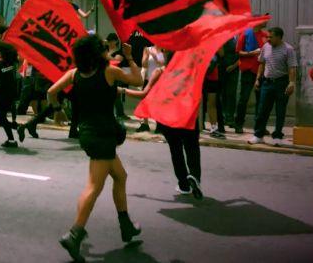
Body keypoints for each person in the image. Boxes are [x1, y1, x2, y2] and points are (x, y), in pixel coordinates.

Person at [47, 35, 143, 262]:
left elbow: (52, 91)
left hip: (88, 134)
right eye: (104, 48)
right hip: (103, 136)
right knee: (94, 187)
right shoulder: (109, 72)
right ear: (97, 53)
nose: (107, 51)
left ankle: (126, 224)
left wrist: (58, 109)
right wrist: (129, 57)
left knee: (120, 176)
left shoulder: (75, 74)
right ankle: (74, 234)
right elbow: (138, 80)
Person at [122, 51, 203, 199]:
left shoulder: (160, 72)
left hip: (168, 119)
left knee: (176, 151)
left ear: (166, 57)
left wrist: (121, 90)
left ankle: (184, 185)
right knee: (192, 149)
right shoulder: (190, 71)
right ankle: (194, 176)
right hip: (188, 117)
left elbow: (144, 93)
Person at [249, 27, 297, 147]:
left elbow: (292, 67)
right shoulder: (266, 47)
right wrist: (258, 79)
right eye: (268, 37)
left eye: (271, 37)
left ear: (279, 37)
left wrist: (291, 83)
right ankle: (258, 135)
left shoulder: (288, 49)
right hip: (267, 83)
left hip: (282, 83)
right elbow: (262, 63)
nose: (268, 39)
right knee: (262, 110)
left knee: (280, 111)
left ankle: (277, 136)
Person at [235, 18, 269, 133]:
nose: (267, 22)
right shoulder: (245, 34)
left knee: (262, 101)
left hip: (263, 72)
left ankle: (260, 127)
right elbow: (238, 52)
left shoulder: (267, 36)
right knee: (243, 99)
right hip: (248, 71)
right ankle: (239, 124)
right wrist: (252, 53)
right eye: (265, 20)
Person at [0, 42, 20, 147]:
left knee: (0, 117)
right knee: (1, 118)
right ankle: (15, 127)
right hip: (11, 93)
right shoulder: (12, 63)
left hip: (2, 95)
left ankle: (12, 139)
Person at [138, 44, 166, 133]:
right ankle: (145, 124)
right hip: (148, 79)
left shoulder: (165, 50)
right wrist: (146, 57)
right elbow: (143, 64)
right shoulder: (148, 49)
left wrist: (155, 58)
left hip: (161, 80)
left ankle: (159, 125)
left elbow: (166, 64)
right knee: (144, 102)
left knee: (159, 103)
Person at [218, 35, 240, 130]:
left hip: (234, 68)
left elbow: (242, 54)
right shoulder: (223, 35)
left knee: (230, 93)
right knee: (222, 93)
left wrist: (234, 66)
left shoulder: (240, 37)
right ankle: (223, 116)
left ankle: (229, 116)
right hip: (221, 67)